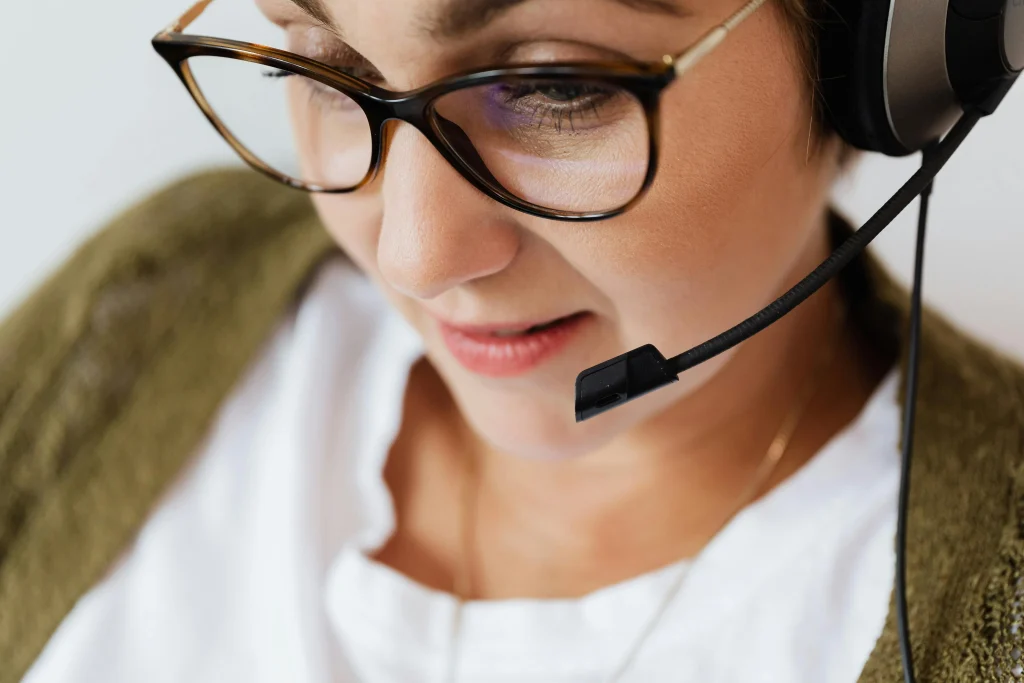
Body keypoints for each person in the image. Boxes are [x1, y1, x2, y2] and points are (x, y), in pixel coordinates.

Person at [1, 0, 1022, 681]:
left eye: (552, 88)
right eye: (318, 64)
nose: (412, 253)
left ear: (894, 55)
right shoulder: (154, 295)